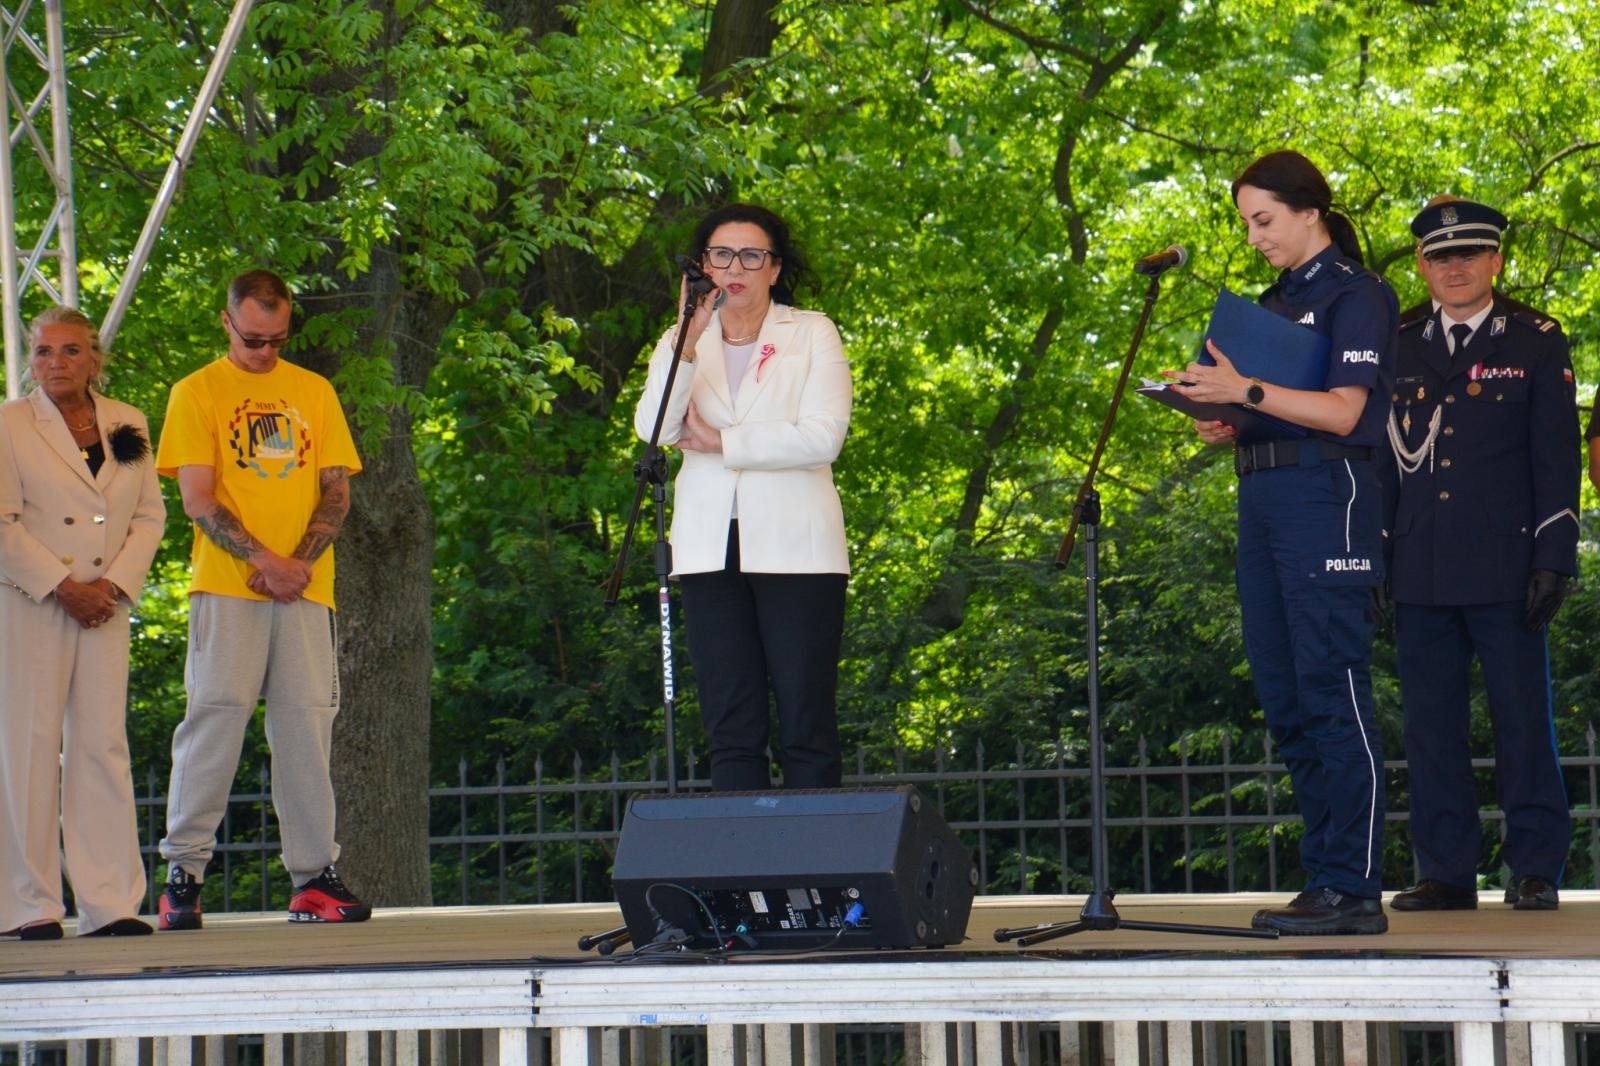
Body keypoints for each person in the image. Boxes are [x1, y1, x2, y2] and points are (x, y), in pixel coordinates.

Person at [1164, 150, 1398, 935]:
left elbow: (1342, 413)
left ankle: (1357, 888)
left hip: (1327, 496)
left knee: (1332, 682)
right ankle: (1325, 871)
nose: (1256, 237)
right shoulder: (1269, 305)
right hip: (1261, 495)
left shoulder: (1359, 295)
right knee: (1285, 692)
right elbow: (1269, 406)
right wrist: (1224, 418)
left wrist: (1248, 390)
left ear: (1310, 211)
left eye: (1264, 220)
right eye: (1246, 225)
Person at [154, 269, 370, 928]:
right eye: (253, 340)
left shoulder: (315, 390)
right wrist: (264, 561)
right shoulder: (196, 392)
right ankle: (183, 874)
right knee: (215, 717)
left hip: (304, 587)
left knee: (306, 726)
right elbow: (198, 499)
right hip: (228, 585)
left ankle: (313, 877)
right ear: (226, 323)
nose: (266, 352)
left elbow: (336, 491)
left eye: (277, 339)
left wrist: (295, 566)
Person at [1382, 198, 1580, 912]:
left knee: (1522, 720)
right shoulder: (1398, 341)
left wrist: (1556, 554)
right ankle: (1446, 873)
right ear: (1421, 266)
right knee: (1430, 727)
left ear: (1496, 261)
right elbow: (1380, 462)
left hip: (1507, 565)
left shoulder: (1533, 339)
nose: (1455, 267)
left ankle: (1534, 867)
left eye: (1469, 254)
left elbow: (1557, 457)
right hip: (1420, 565)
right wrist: (1376, 556)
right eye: (1440, 257)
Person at [632, 204, 852, 792]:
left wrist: (722, 441)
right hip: (707, 547)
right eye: (720, 255)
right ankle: (745, 878)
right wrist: (688, 334)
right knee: (731, 726)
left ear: (774, 269)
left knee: (805, 720)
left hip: (798, 550)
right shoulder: (683, 339)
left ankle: (815, 875)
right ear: (702, 266)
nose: (735, 267)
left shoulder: (811, 332)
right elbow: (653, 427)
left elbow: (823, 436)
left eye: (751, 256)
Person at [0, 306, 165, 940]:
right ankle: (28, 907)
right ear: (30, 360)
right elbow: (3, 525)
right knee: (29, 749)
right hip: (31, 602)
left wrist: (114, 586)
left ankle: (111, 903)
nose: (56, 364)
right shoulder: (11, 425)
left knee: (101, 748)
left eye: (70, 351)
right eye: (43, 352)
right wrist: (64, 587)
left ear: (95, 360)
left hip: (105, 606)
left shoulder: (129, 421)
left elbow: (148, 516)